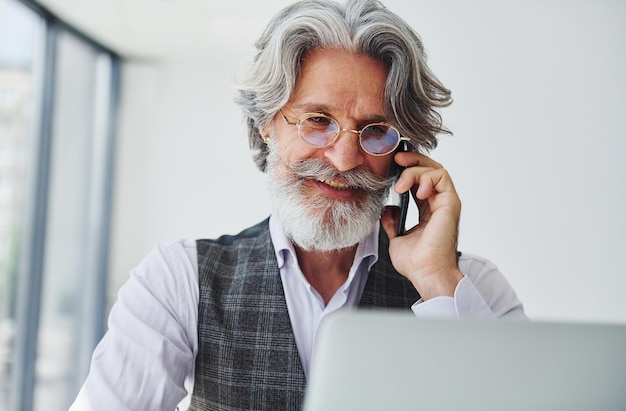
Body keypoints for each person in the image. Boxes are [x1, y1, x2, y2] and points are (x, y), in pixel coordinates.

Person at [70, 0, 525, 409]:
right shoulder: (177, 280)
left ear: (403, 149)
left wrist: (437, 282)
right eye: (317, 121)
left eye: (375, 130)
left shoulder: (474, 290)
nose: (345, 159)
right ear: (268, 123)